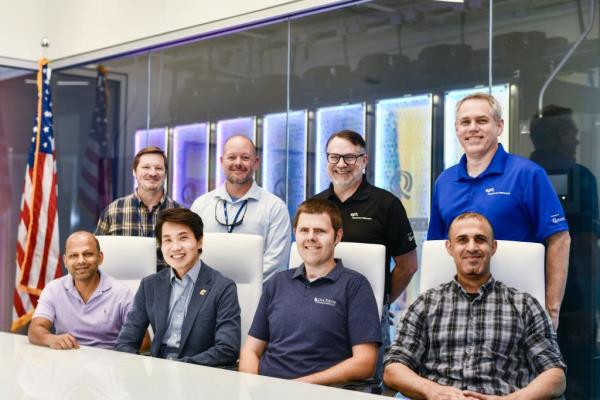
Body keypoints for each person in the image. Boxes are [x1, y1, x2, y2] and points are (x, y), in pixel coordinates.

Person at [384, 212, 566, 399]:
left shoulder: (525, 305)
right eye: (462, 240)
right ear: (449, 247)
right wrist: (432, 391)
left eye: (480, 239)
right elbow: (393, 369)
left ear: (493, 247)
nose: (472, 247)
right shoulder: (425, 305)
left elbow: (555, 375)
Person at [427, 93, 570, 329]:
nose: (472, 128)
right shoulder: (444, 182)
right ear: (456, 129)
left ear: (499, 126)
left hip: (516, 312)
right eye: (465, 122)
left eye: (481, 121)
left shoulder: (527, 174)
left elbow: (560, 240)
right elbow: (436, 248)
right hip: (455, 313)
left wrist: (551, 308)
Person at [239, 198, 381, 386]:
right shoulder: (277, 283)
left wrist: (298, 387)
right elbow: (250, 351)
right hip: (266, 391)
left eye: (320, 231)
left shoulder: (355, 286)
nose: (310, 237)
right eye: (304, 230)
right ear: (295, 233)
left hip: (319, 392)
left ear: (337, 237)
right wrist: (252, 387)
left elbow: (365, 363)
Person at [530, 105, 599, 399]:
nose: (577, 140)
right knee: (576, 378)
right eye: (572, 132)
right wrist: (589, 306)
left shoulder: (520, 176)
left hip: (526, 301)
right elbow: (585, 247)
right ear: (560, 135)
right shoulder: (580, 176)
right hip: (572, 301)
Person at [115, 208, 240, 366]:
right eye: (167, 240)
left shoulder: (222, 287)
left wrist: (179, 368)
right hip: (157, 376)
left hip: (201, 376)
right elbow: (125, 342)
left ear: (199, 241)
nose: (175, 247)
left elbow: (227, 349)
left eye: (183, 238)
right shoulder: (149, 285)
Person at [191, 135, 291, 282]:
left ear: (256, 162)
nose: (238, 163)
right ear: (221, 161)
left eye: (245, 157)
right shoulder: (200, 205)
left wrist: (242, 285)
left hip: (257, 298)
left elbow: (276, 262)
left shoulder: (275, 208)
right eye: (231, 157)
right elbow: (191, 252)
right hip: (207, 296)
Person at [28, 231, 133, 350]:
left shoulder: (122, 293)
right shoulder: (53, 289)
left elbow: (143, 340)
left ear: (100, 258)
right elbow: (35, 329)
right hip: (67, 360)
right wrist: (50, 339)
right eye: (73, 256)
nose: (81, 261)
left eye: (87, 254)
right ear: (65, 261)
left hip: (108, 363)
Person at [96, 146, 180, 271]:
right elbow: (95, 255)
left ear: (165, 174)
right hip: (123, 288)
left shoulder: (180, 214)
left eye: (159, 168)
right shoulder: (114, 211)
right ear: (134, 171)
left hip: (167, 289)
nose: (152, 173)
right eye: (146, 167)